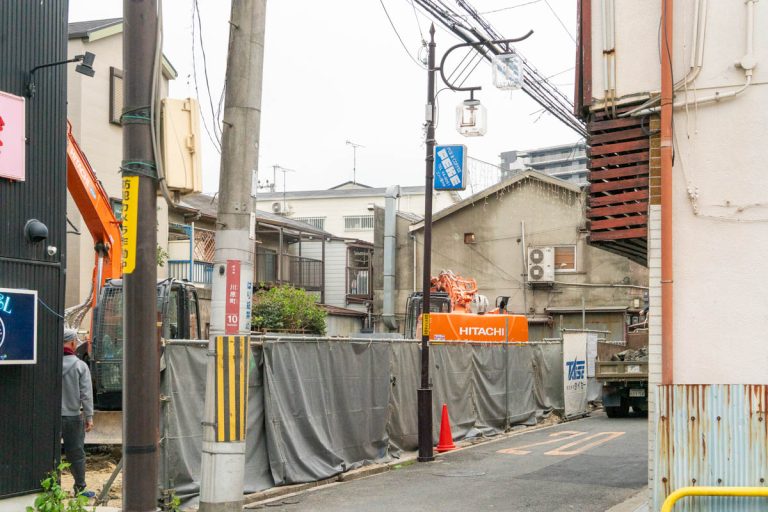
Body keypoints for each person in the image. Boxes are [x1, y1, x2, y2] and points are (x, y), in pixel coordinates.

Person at [61, 328, 95, 498]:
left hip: (50, 417)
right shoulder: (80, 366)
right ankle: (80, 489)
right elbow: (86, 394)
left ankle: (51, 488)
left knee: (48, 453)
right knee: (76, 453)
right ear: (73, 343)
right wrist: (89, 417)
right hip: (73, 417)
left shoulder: (50, 364)